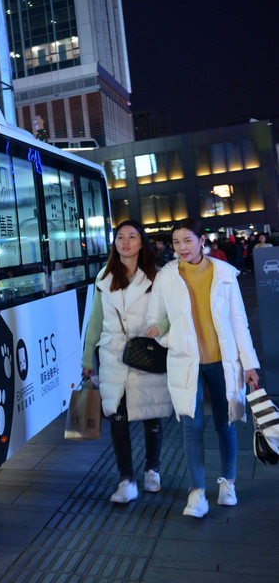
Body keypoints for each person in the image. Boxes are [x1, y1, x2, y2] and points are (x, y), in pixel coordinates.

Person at [144, 217, 260, 518]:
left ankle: (228, 482)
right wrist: (167, 334)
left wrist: (249, 364)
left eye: (188, 241)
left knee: (225, 423)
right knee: (191, 427)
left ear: (201, 242)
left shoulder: (223, 274)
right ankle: (196, 493)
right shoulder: (166, 277)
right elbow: (157, 318)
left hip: (223, 361)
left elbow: (239, 322)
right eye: (176, 242)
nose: (181, 248)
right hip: (186, 362)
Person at [82, 221, 171, 504]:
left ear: (142, 243)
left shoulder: (156, 277)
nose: (125, 242)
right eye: (120, 237)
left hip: (146, 351)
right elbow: (95, 320)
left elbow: (171, 313)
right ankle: (126, 479)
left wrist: (161, 325)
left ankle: (152, 469)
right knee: (117, 418)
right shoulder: (104, 277)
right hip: (112, 355)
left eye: (132, 237)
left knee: (150, 414)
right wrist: (87, 357)